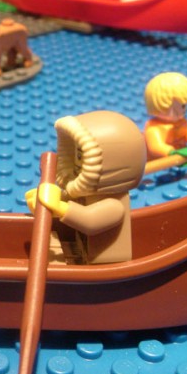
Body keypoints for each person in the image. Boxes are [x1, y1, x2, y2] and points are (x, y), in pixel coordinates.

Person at [26, 111, 146, 264]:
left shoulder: (115, 205)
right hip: (80, 249)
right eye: (77, 155)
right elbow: (69, 199)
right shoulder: (83, 192)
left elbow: (90, 220)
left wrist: (58, 207)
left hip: (103, 264)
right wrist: (44, 200)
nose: (77, 163)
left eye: (82, 156)